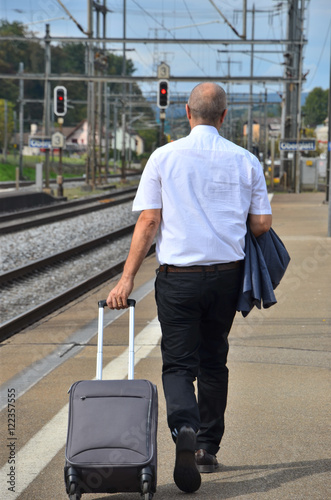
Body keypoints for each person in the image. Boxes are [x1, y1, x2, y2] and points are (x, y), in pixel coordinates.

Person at [106, 82, 272, 493]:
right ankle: (207, 447)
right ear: (223, 116)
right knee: (214, 358)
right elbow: (262, 224)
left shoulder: (164, 157)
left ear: (186, 112)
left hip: (178, 279)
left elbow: (148, 222)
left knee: (179, 364)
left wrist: (126, 278)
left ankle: (184, 426)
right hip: (227, 276)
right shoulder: (246, 159)